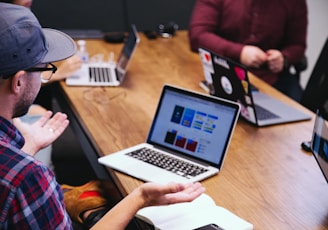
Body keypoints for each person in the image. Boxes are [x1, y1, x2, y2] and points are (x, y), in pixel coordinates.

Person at [0, 3, 205, 229]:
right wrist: (140, 198)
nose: (42, 78)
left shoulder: (18, 170)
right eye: (43, 69)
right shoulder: (29, 179)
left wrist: (27, 148)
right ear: (18, 82)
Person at [189, 0, 308, 102]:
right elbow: (198, 35)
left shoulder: (295, 3)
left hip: (270, 80)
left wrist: (284, 58)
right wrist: (240, 52)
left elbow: (298, 45)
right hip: (221, 69)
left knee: (303, 119)